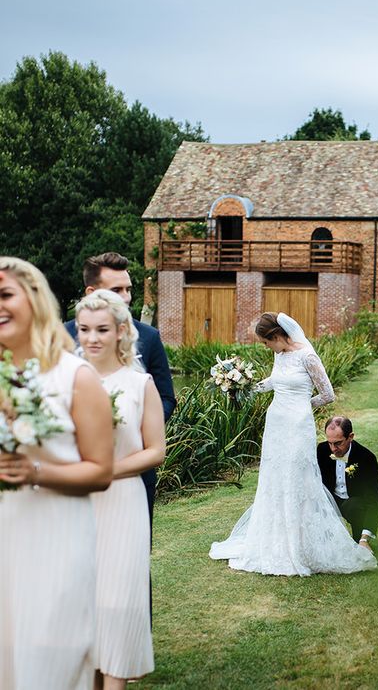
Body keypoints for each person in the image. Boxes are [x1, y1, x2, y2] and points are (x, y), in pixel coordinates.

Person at [0, 257, 113, 689]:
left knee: (50, 665)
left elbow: (101, 470)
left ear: (34, 299)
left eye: (6, 294)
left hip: (56, 539)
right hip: (5, 533)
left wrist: (35, 471)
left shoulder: (75, 377)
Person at [210, 312, 377, 576]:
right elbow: (275, 383)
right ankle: (276, 539)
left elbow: (327, 394)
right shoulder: (279, 355)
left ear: (276, 336)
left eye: (267, 343)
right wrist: (243, 385)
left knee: (297, 479)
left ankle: (301, 544)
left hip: (298, 426)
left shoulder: (307, 356)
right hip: (276, 423)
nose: (266, 348)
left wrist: (302, 406)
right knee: (275, 478)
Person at [76, 289, 165, 689]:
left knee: (117, 604)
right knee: (82, 610)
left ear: (119, 332)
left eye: (101, 330)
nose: (91, 338)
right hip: (75, 506)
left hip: (123, 503)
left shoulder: (139, 384)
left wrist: (108, 469)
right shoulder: (65, 383)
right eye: (83, 330)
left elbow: (156, 452)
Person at [64, 251, 175, 526]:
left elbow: (166, 397)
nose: (125, 297)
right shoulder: (62, 337)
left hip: (133, 471)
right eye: (117, 290)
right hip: (75, 473)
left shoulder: (149, 337)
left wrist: (132, 421)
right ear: (92, 292)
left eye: (128, 289)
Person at [317, 416, 378, 551]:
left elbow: (375, 501)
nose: (333, 449)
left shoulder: (366, 458)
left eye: (338, 443)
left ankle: (359, 538)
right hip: (330, 502)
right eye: (330, 443)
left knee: (354, 506)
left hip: (354, 505)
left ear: (351, 437)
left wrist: (365, 538)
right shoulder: (322, 450)